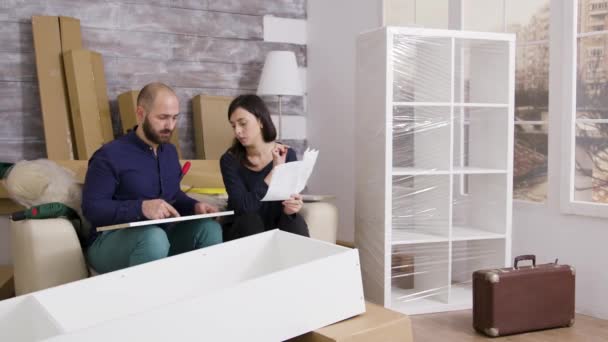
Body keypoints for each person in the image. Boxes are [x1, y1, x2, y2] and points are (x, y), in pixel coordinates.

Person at [82, 82, 222, 273]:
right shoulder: (109, 155)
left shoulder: (169, 152)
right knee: (154, 238)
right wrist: (141, 207)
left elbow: (174, 195)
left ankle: (201, 295)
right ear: (140, 114)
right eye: (163, 118)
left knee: (209, 229)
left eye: (174, 118)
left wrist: (194, 206)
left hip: (160, 235)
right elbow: (92, 208)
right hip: (109, 239)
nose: (170, 126)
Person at [220, 94, 309, 241]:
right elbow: (243, 207)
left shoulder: (286, 154)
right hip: (242, 227)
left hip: (276, 222)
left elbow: (287, 199)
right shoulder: (229, 160)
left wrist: (291, 207)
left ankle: (305, 263)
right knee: (251, 221)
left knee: (294, 222)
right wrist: (274, 172)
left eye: (243, 123)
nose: (237, 131)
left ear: (260, 121)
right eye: (233, 125)